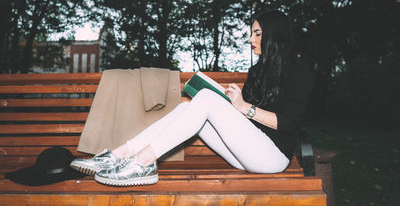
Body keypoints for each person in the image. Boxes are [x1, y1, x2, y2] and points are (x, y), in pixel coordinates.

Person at [70, 10, 315, 187]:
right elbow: (243, 121)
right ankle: (119, 155)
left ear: (275, 36)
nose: (251, 39)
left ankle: (142, 162)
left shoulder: (298, 70)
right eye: (251, 34)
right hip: (246, 153)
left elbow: (290, 123)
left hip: (272, 158)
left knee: (207, 99)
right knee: (188, 106)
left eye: (257, 34)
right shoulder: (258, 72)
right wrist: (231, 104)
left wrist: (244, 107)